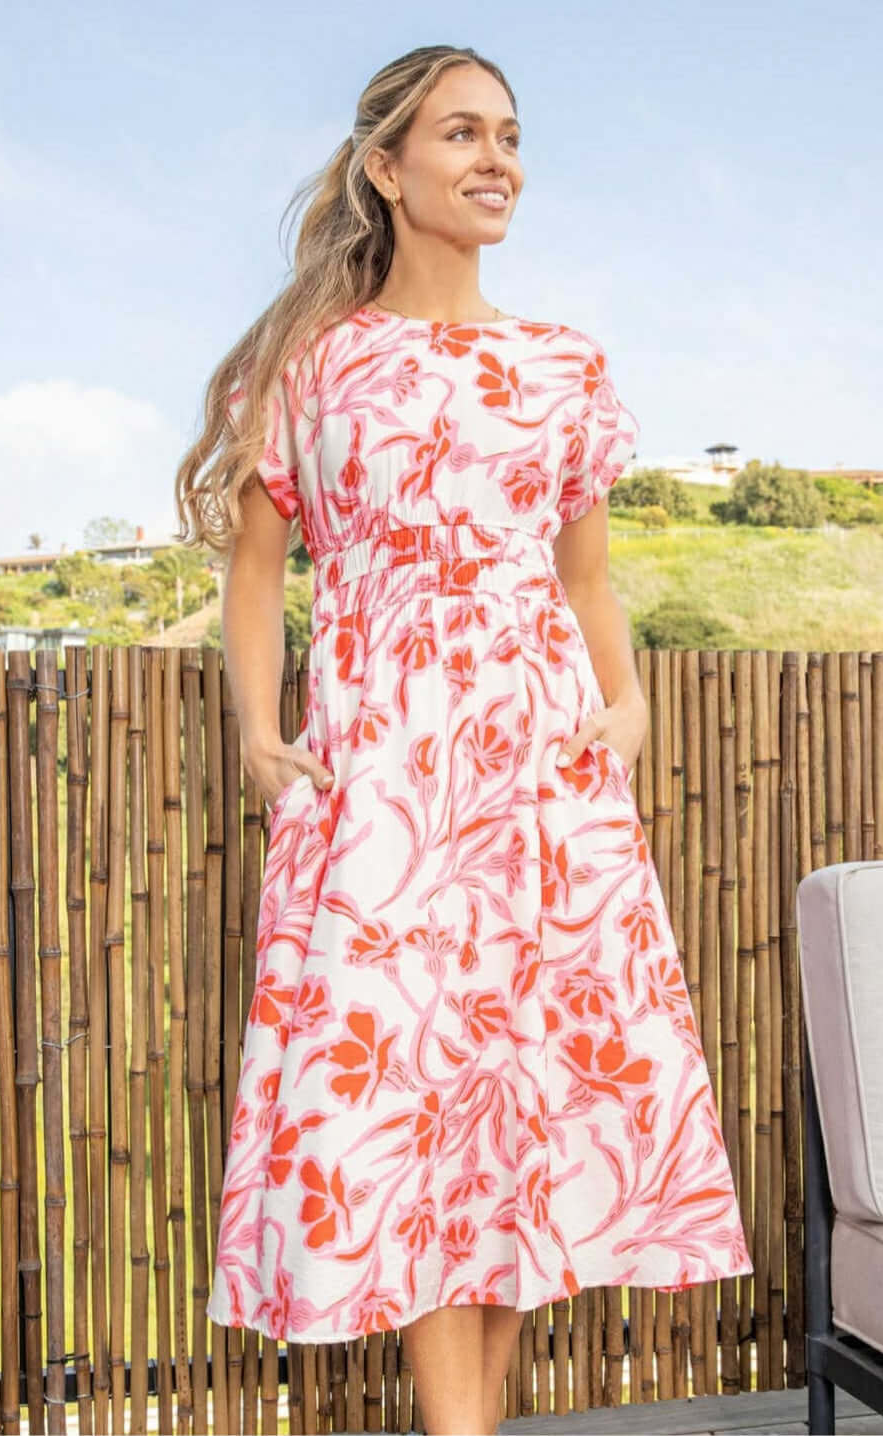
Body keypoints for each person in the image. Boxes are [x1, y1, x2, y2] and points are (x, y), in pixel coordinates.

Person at [174, 43, 753, 1436]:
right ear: (385, 168)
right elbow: (259, 574)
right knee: (418, 1100)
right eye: (460, 135)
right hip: (382, 773)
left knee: (515, 1105)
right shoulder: (311, 367)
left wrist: (631, 706)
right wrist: (261, 735)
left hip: (543, 771)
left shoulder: (561, 366)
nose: (498, 160)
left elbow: (590, 578)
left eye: (509, 135)